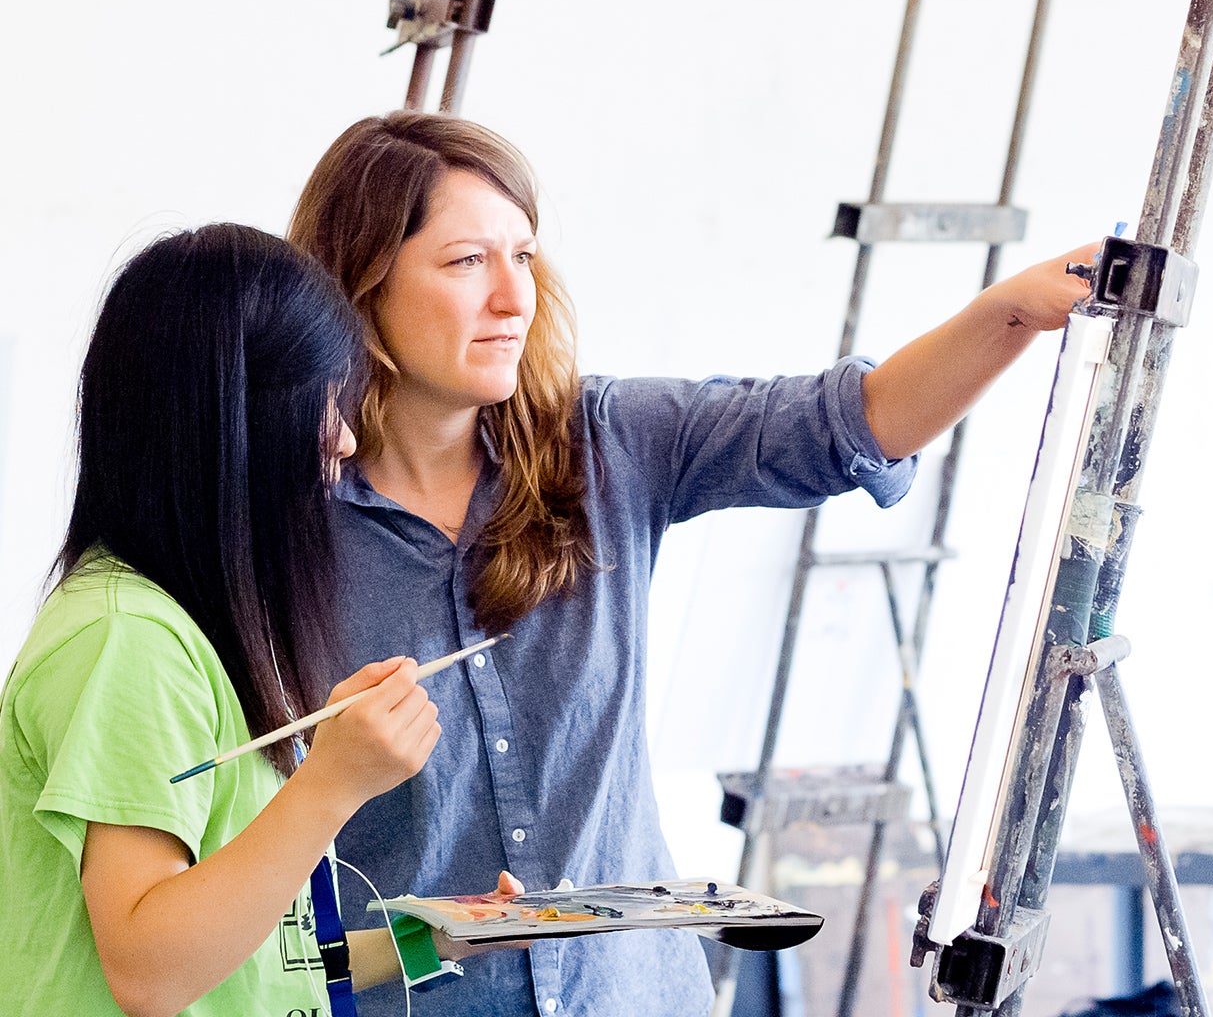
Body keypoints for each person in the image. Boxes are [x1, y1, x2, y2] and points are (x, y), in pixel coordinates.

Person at [288, 111, 1097, 1016]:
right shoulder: (270, 538)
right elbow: (258, 913)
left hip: (632, 996)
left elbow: (849, 424)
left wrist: (1011, 312)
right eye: (467, 262)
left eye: (523, 257)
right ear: (358, 285)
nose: (514, 299)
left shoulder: (605, 445)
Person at [0, 225, 518, 1017]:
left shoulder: (187, 632)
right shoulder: (128, 641)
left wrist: (451, 934)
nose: (345, 440)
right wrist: (332, 784)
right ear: (238, 421)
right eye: (327, 405)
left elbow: (272, 962)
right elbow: (150, 970)